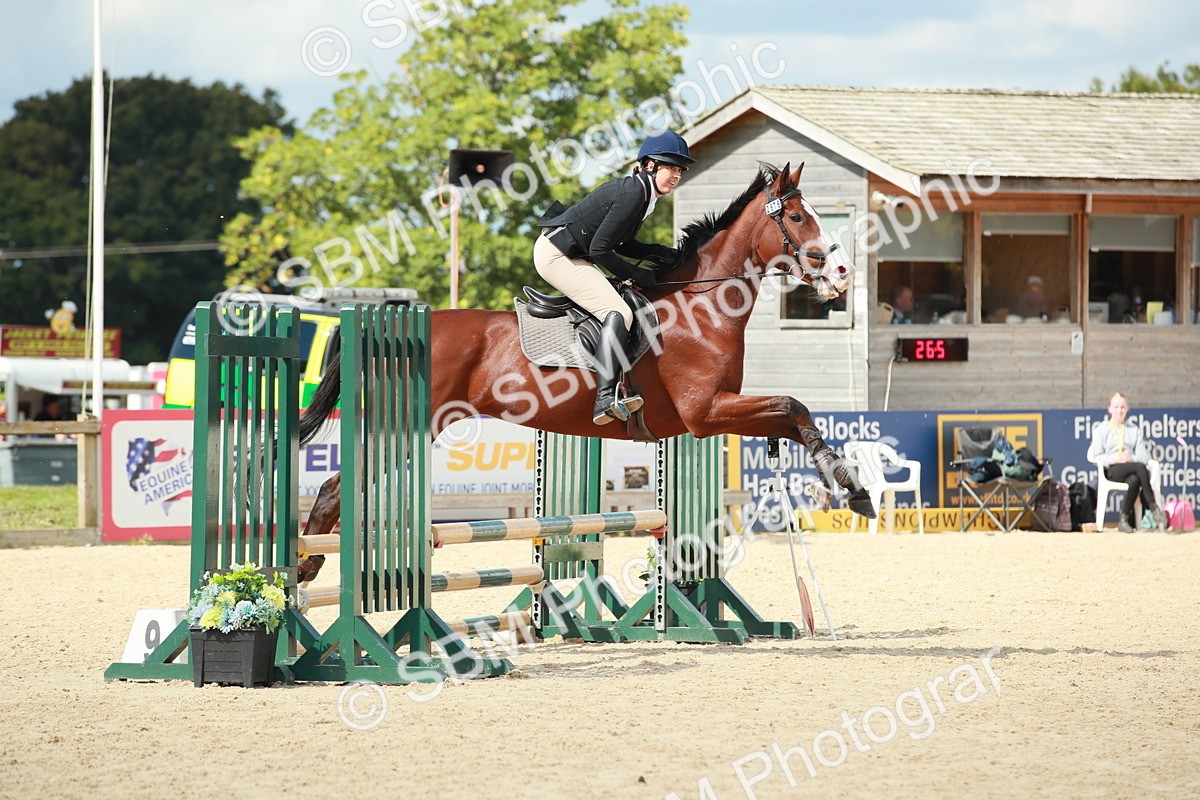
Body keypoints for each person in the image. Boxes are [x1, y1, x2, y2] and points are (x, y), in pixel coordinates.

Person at [535, 130, 690, 425]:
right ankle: (605, 398)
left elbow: (621, 243)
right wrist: (634, 272)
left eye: (680, 170)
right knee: (618, 311)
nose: (676, 175)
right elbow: (601, 249)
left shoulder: (644, 194)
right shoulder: (634, 193)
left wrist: (661, 252)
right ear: (649, 165)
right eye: (670, 167)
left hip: (574, 253)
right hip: (556, 256)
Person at [1087, 392, 1166, 532]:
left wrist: (1131, 458)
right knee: (1140, 469)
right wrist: (1115, 458)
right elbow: (1096, 456)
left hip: (1132, 467)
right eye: (1116, 407)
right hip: (1112, 470)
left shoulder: (1134, 430)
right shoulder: (1101, 429)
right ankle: (1153, 506)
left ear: (1128, 408)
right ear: (1109, 409)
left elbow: (1145, 457)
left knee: (1135, 478)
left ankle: (1123, 520)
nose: (1119, 410)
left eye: (1122, 407)